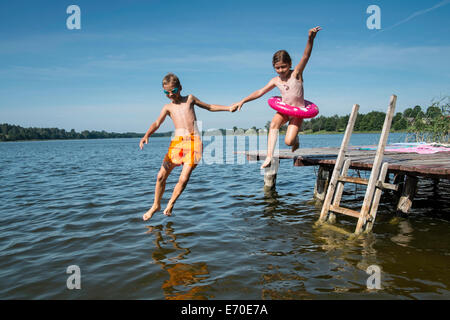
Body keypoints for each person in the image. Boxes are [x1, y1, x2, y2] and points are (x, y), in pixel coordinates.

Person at [140, 73, 237, 220]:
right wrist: (147, 135)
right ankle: (156, 205)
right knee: (160, 176)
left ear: (180, 88)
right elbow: (157, 123)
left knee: (184, 178)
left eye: (174, 90)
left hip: (194, 143)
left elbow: (209, 106)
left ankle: (170, 203)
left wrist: (228, 108)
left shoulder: (190, 99)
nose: (171, 94)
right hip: (178, 144)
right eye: (167, 92)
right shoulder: (167, 107)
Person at [234, 26, 321, 169]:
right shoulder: (275, 80)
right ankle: (269, 156)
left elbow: (306, 56)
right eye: (277, 68)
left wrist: (310, 38)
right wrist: (243, 100)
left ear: (290, 64)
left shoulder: (296, 74)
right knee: (273, 125)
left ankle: (295, 139)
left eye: (284, 67)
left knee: (288, 141)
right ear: (274, 67)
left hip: (298, 111)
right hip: (284, 110)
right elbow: (260, 92)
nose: (281, 70)